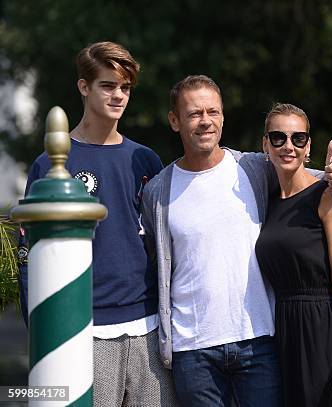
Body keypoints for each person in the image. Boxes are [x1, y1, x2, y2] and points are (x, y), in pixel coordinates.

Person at [140, 76, 332, 407]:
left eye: (213, 111)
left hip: (259, 343)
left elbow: (303, 176)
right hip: (192, 349)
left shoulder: (252, 167)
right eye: (194, 113)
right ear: (174, 120)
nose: (205, 121)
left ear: (223, 117)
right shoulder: (158, 191)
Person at [18, 41, 178, 406]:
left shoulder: (145, 159)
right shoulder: (50, 166)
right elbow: (31, 258)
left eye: (125, 87)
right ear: (83, 86)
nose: (119, 95)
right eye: (108, 85)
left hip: (149, 327)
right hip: (83, 330)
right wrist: (47, 332)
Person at [254, 103, 332, 406]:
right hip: (283, 329)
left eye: (298, 138)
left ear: (308, 145)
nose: (288, 146)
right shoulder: (268, 202)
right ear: (265, 144)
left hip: (323, 326)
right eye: (278, 138)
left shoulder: (328, 195)